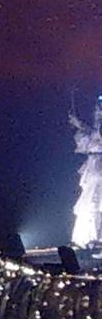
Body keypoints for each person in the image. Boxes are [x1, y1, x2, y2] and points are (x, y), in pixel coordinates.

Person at [69, 94, 102, 247]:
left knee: (96, 201)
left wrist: (80, 124)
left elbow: (95, 137)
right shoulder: (92, 132)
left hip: (98, 167)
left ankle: (96, 237)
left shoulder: (96, 132)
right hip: (93, 165)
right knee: (89, 203)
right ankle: (87, 237)